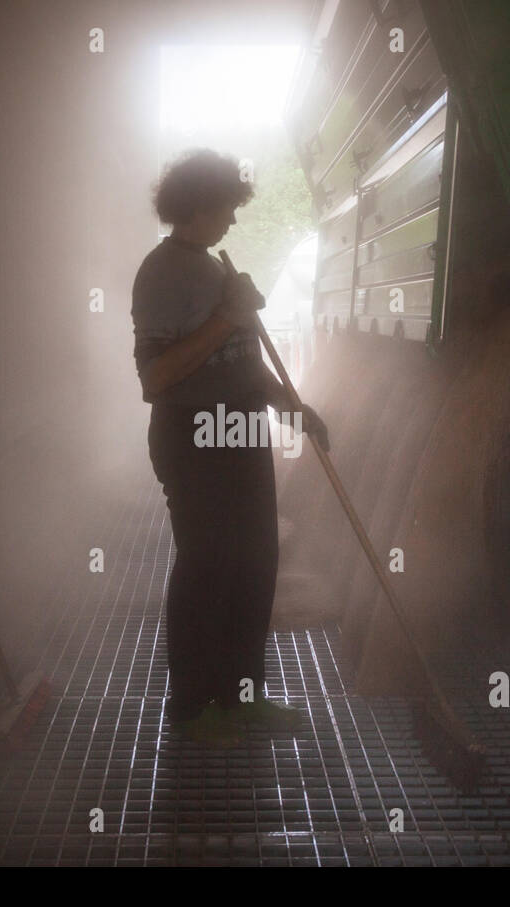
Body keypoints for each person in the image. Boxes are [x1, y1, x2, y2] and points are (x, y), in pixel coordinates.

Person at [130, 148, 329, 746]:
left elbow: (243, 364)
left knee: (255, 563)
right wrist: (226, 318)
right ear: (197, 205)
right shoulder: (161, 272)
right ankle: (194, 709)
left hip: (239, 431)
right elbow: (155, 378)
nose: (234, 222)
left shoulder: (215, 268)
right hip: (194, 434)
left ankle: (242, 697)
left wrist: (295, 410)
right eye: (227, 208)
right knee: (208, 567)